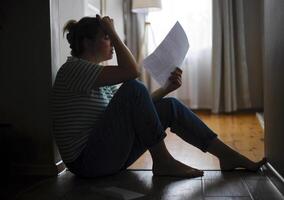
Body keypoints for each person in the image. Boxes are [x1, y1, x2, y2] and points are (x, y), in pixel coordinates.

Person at [51, 15, 266, 178]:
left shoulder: (98, 77)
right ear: (88, 43)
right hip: (87, 163)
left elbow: (136, 111)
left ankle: (226, 155)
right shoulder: (73, 69)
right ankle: (163, 161)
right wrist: (113, 31)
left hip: (106, 155)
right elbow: (132, 72)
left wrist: (166, 89)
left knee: (168, 105)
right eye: (106, 38)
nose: (112, 44)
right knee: (134, 87)